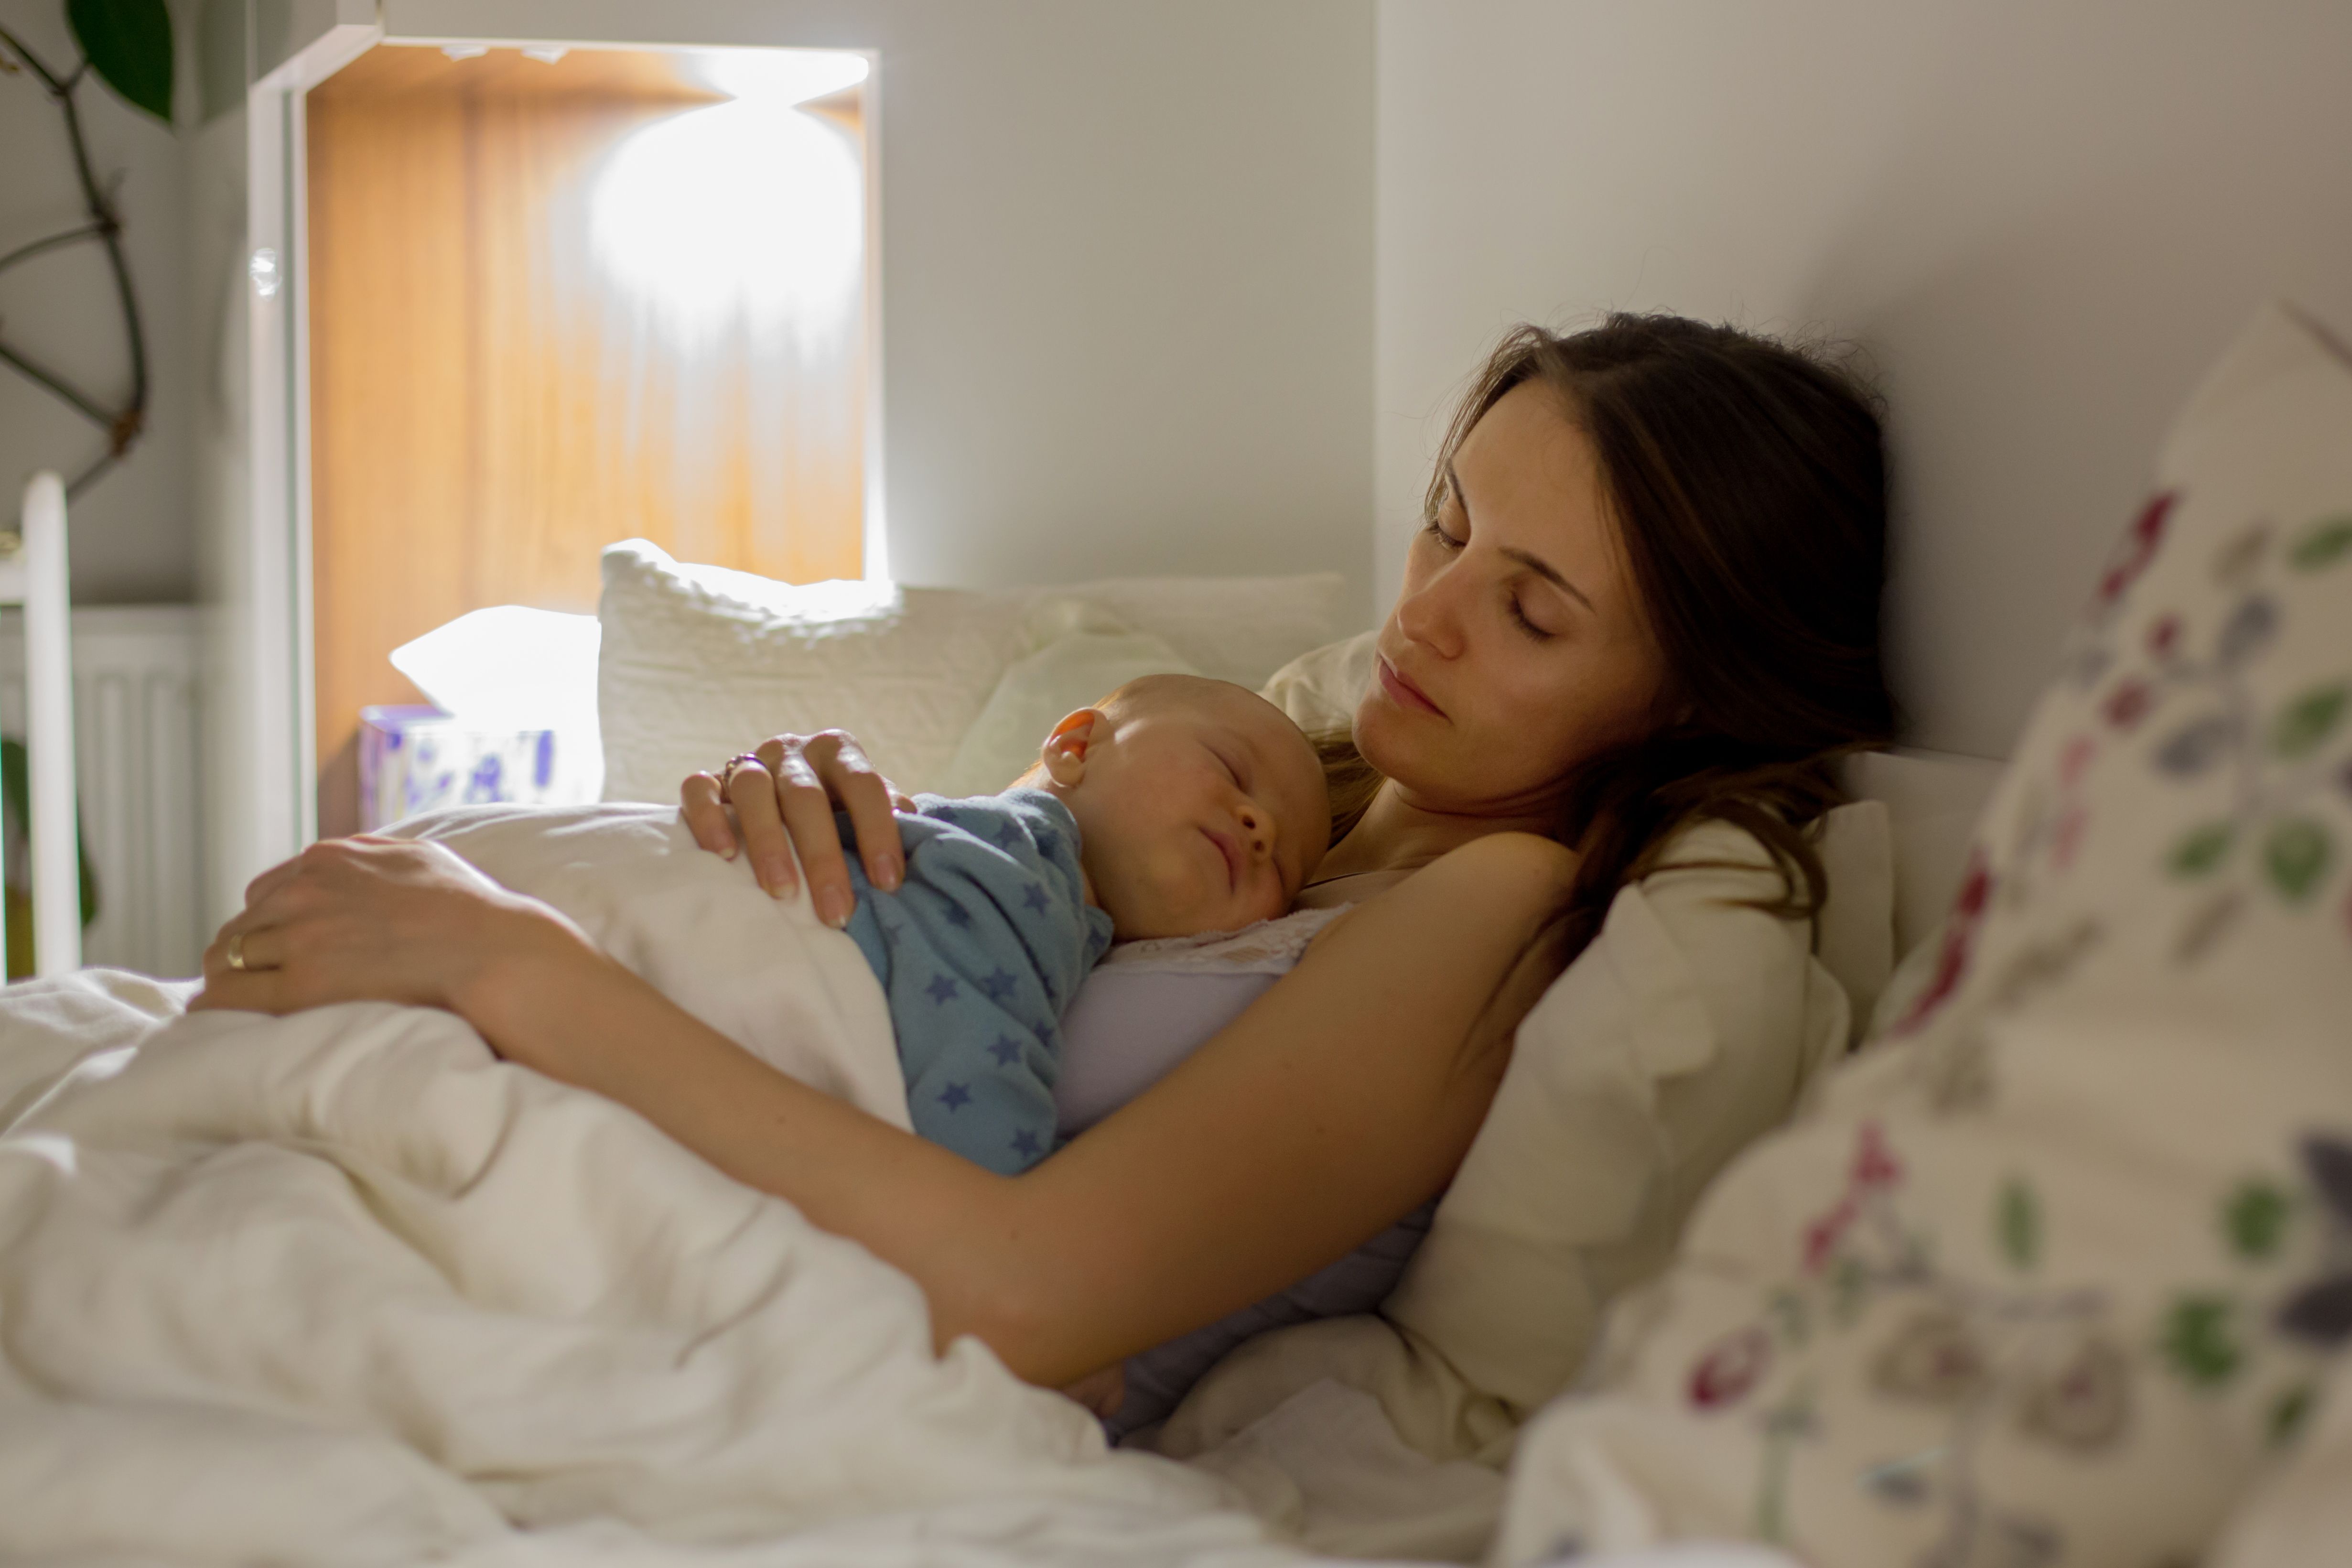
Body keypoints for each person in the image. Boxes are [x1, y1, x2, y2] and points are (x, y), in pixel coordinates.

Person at [196, 313, 1895, 1410]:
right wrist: (812, 801)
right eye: (1446, 521)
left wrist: (514, 967)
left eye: (1530, 608)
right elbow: (964, 905)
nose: (1425, 616)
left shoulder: (1495, 905)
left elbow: (1024, 1291)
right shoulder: (1279, 782)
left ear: (1682, 694)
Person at [772, 672, 1329, 1175]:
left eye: (1282, 866)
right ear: (1075, 746)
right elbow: (965, 1048)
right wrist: (1018, 1186)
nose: (1260, 828)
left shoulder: (1067, 916)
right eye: (1231, 769)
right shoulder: (1021, 854)